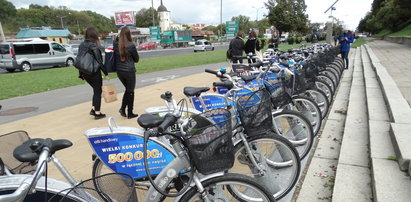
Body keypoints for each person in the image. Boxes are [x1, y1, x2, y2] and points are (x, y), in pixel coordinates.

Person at [78, 27, 109, 120]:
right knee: (97, 91)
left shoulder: (82, 45)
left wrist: (80, 74)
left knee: (96, 91)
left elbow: (80, 60)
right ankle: (97, 112)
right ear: (94, 35)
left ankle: (93, 108)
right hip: (94, 72)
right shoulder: (94, 46)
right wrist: (106, 73)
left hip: (85, 72)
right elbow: (100, 61)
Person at [114, 26, 139, 119]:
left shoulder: (115, 43)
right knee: (131, 91)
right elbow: (136, 59)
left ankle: (123, 108)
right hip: (129, 71)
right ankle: (130, 112)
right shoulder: (131, 45)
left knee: (128, 90)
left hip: (120, 71)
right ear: (129, 34)